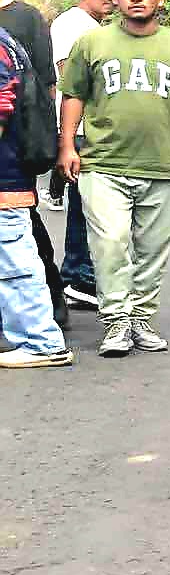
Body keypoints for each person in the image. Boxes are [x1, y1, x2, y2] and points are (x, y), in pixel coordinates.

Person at [56, 0, 170, 357]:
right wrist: (67, 146)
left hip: (163, 166)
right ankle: (116, 322)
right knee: (110, 243)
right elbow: (72, 95)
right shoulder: (91, 43)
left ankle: (141, 318)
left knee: (153, 249)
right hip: (103, 164)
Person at [0, 0, 66, 323]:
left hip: (16, 140)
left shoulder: (25, 19)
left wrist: (51, 138)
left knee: (21, 223)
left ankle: (49, 305)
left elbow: (45, 84)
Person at [0, 24, 71, 368]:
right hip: (10, 175)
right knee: (11, 260)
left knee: (15, 261)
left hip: (5, 178)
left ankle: (41, 341)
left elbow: (2, 106)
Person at [49, 0, 117, 310]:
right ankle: (78, 276)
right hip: (81, 130)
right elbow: (69, 77)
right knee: (85, 206)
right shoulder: (72, 25)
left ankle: (82, 275)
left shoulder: (97, 26)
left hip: (95, 129)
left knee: (92, 205)